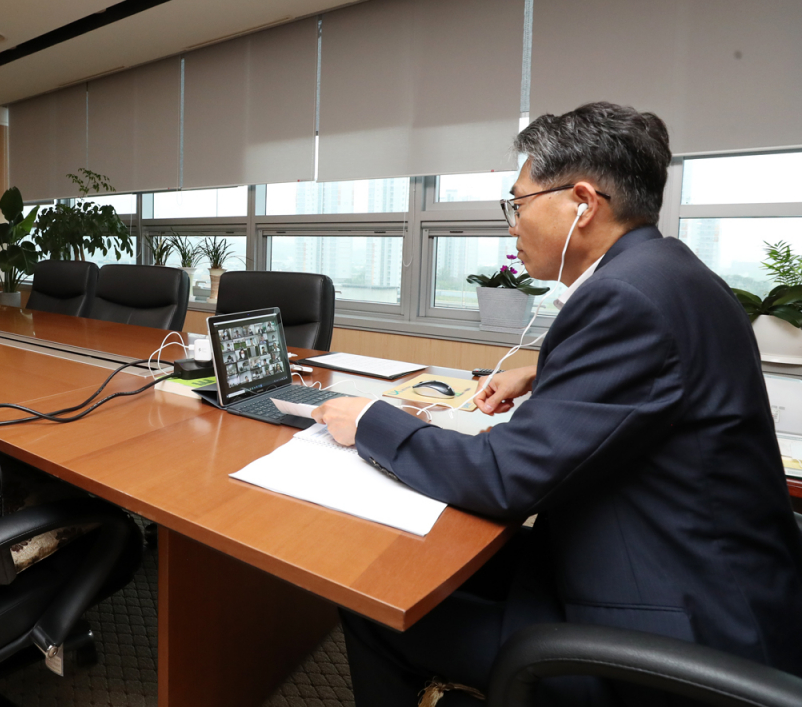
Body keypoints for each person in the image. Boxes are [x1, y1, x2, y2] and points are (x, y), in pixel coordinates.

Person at [312, 102, 802, 706]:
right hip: (696, 575)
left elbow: (504, 479)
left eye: (518, 204)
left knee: (374, 602)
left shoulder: (625, 299)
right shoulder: (670, 273)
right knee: (419, 563)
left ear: (582, 203)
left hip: (669, 627)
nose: (512, 225)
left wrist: (369, 419)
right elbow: (667, 374)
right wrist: (544, 373)